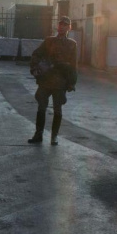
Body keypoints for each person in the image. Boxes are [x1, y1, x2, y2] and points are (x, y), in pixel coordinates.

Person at [28, 16, 78, 146]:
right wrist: (35, 67)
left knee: (57, 110)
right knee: (41, 108)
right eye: (60, 24)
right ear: (58, 26)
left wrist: (72, 82)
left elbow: (73, 65)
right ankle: (38, 134)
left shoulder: (72, 44)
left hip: (60, 82)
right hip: (46, 80)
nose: (62, 27)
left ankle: (54, 136)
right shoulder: (49, 41)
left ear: (69, 28)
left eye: (65, 25)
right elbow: (37, 53)